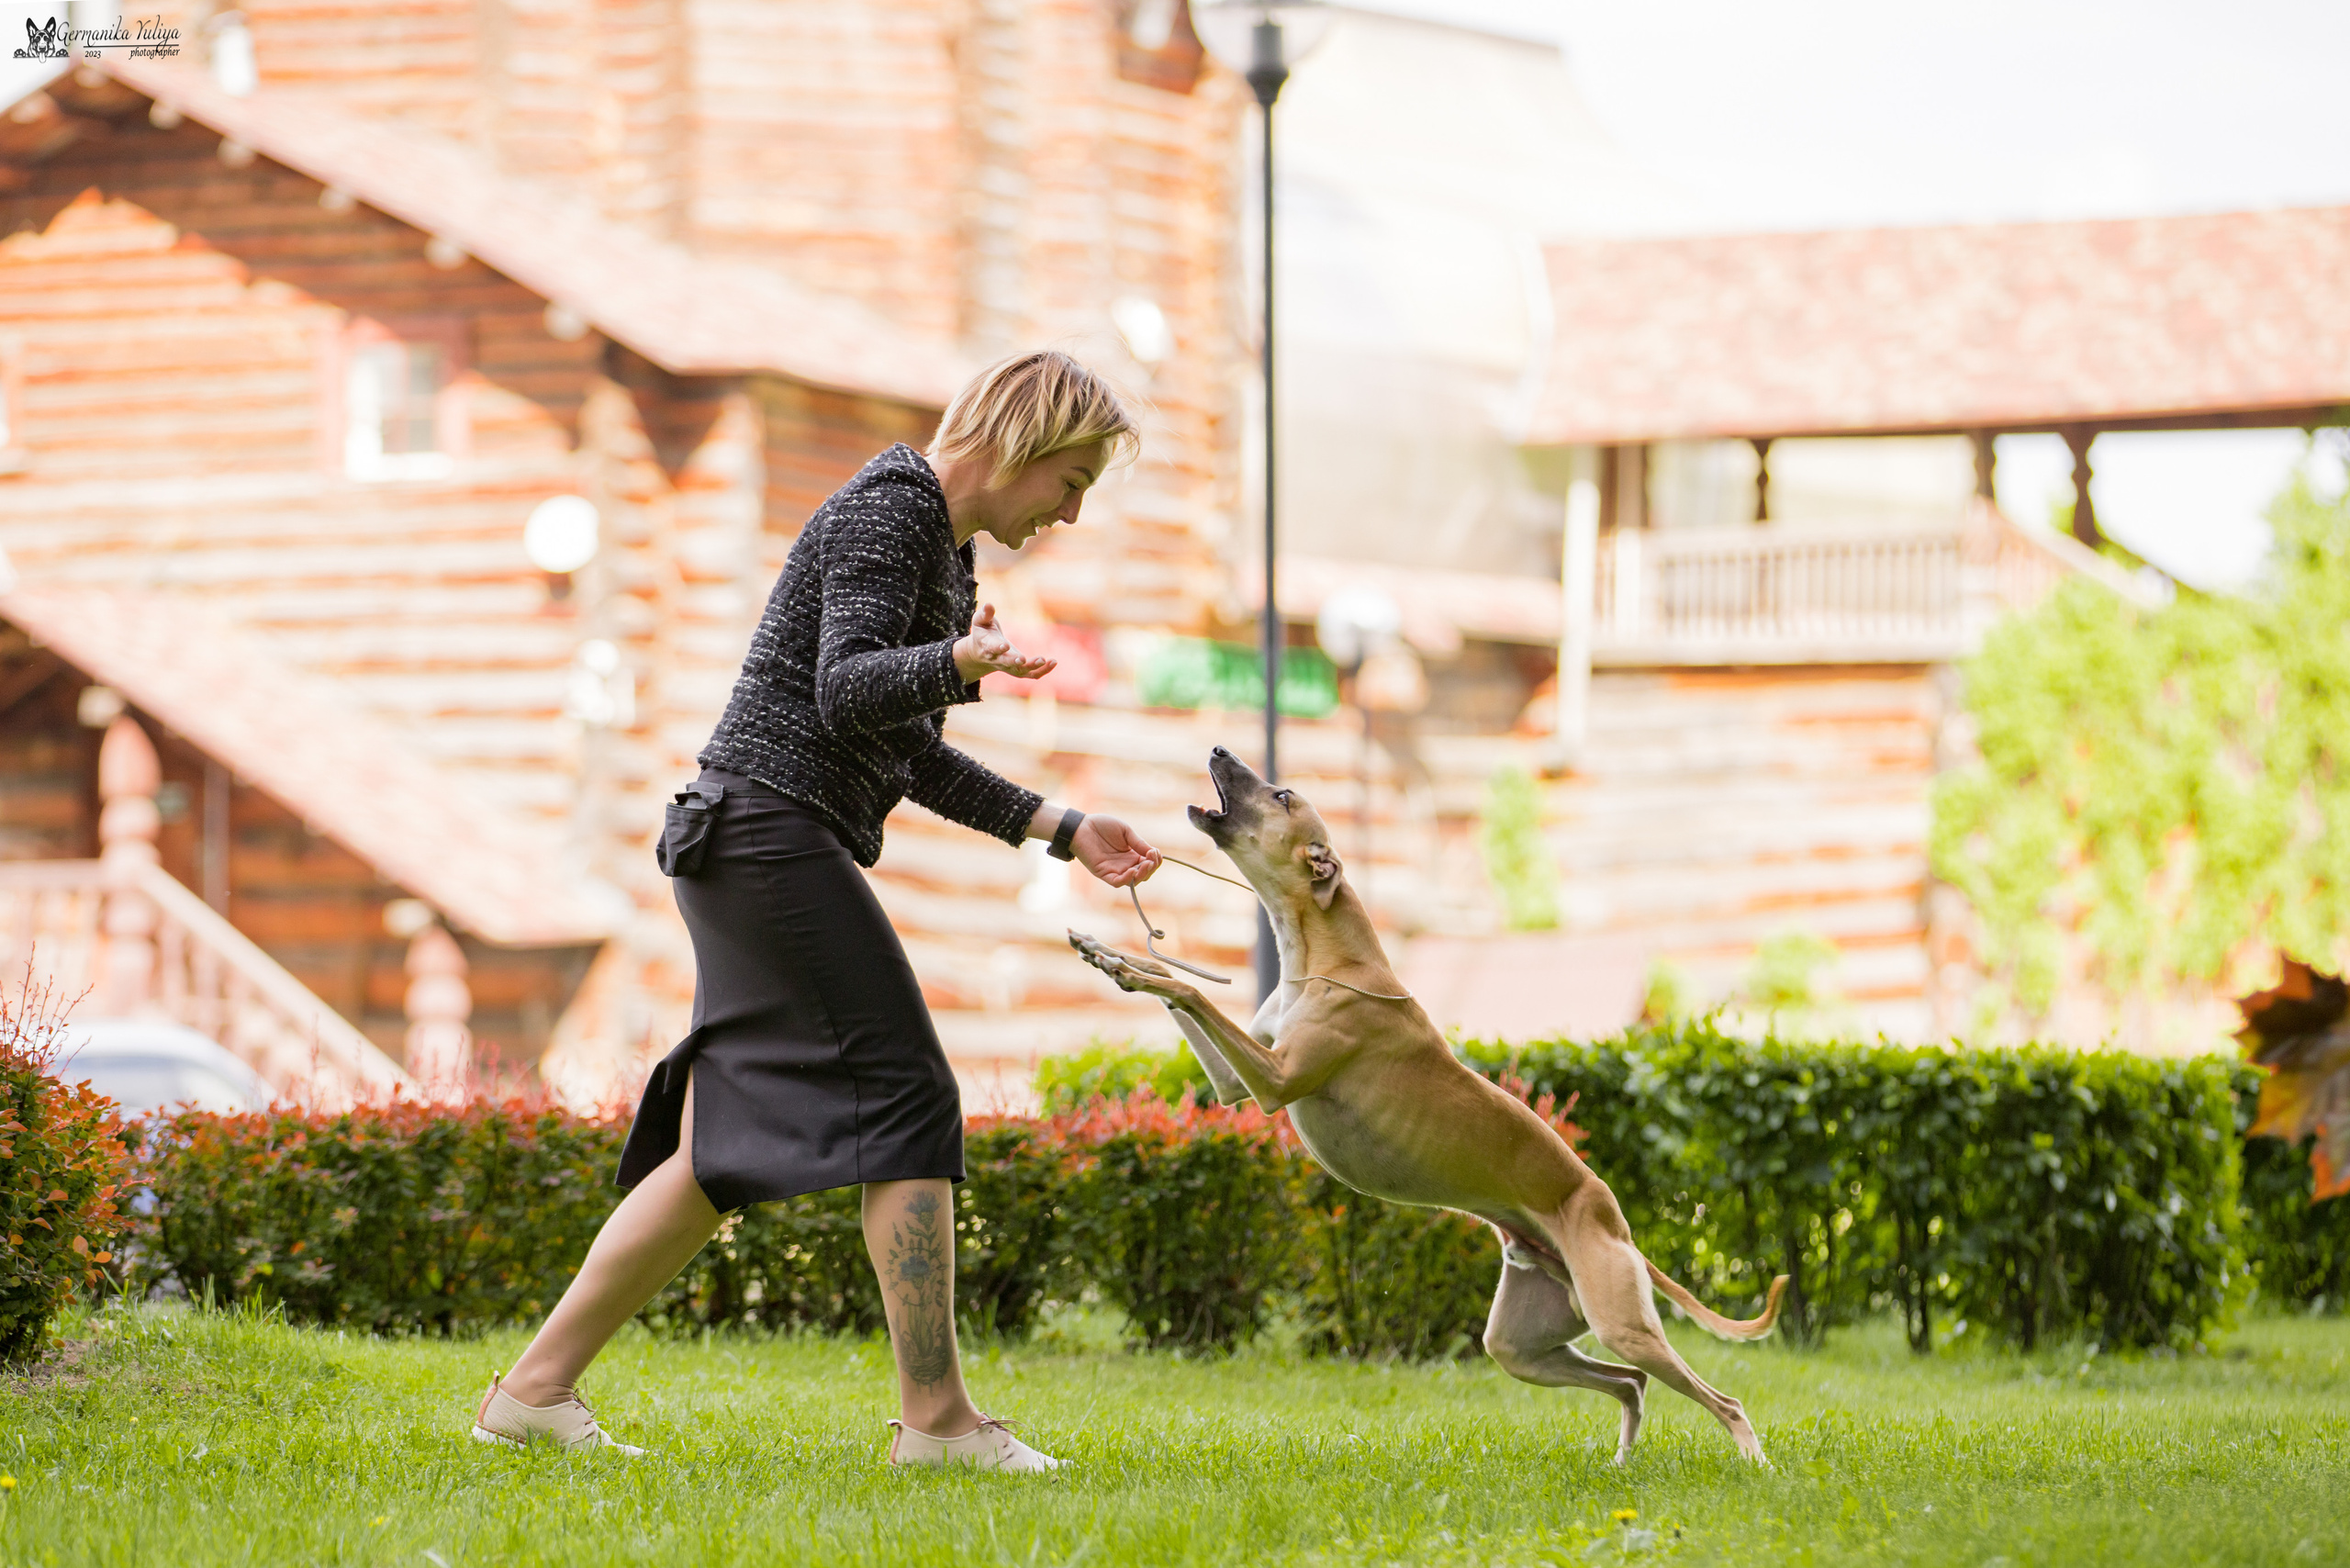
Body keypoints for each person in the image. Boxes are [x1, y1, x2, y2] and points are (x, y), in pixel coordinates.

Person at [470, 351, 1162, 1471]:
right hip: (766, 834)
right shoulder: (893, 511)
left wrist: (1063, 826)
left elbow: (902, 752)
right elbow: (849, 689)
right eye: (1069, 479)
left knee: (718, 1148)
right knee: (909, 1092)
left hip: (751, 837)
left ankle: (532, 1394)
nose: (1071, 511)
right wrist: (951, 657)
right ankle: (938, 1424)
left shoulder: (941, 544)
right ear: (1020, 441)